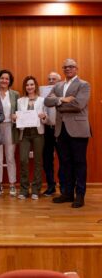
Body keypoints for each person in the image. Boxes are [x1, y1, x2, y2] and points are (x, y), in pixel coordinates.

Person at [45, 58, 91, 208]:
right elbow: (47, 101)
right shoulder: (58, 85)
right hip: (61, 130)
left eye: (71, 67)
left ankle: (80, 195)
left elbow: (78, 105)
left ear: (76, 69)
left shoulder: (84, 85)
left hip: (78, 130)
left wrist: (58, 104)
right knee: (65, 163)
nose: (68, 69)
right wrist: (63, 99)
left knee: (79, 163)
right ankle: (67, 193)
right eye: (65, 67)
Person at [15, 76, 47, 200]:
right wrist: (15, 118)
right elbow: (18, 116)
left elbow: (47, 118)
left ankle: (36, 189)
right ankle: (23, 189)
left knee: (38, 161)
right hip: (24, 134)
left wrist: (44, 116)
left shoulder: (42, 100)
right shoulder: (20, 101)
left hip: (38, 133)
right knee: (23, 160)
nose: (30, 87)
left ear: (35, 86)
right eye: (27, 85)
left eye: (32, 84)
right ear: (25, 87)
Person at [0, 70, 19, 196]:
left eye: (7, 79)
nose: (4, 80)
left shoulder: (15, 94)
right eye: (2, 78)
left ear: (10, 81)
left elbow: (20, 111)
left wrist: (17, 115)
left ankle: (12, 184)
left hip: (10, 127)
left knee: (10, 157)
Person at [42, 71, 65, 196]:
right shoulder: (44, 94)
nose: (51, 81)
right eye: (49, 79)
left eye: (53, 79)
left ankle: (63, 185)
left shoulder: (63, 94)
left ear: (59, 81)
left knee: (63, 158)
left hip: (60, 129)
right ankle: (51, 185)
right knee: (47, 159)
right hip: (47, 130)